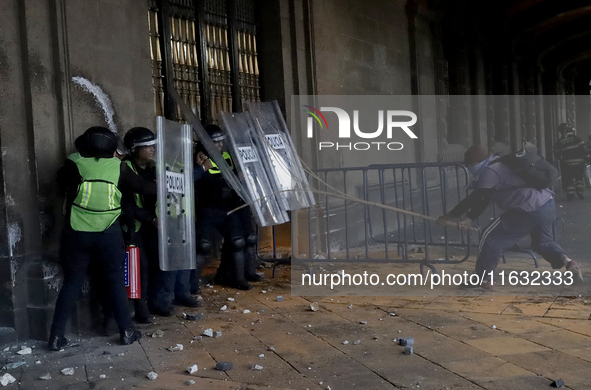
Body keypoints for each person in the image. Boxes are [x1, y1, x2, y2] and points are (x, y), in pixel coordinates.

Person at [49, 127, 156, 350]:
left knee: (72, 283)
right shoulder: (119, 167)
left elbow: (60, 185)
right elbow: (145, 189)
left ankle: (56, 336)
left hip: (76, 234)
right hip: (109, 233)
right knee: (115, 281)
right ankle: (126, 331)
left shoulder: (73, 163)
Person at [436, 145, 583, 290]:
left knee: (491, 237)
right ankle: (568, 262)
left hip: (527, 209)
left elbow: (474, 198)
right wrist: (468, 219)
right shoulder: (501, 163)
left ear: (473, 164)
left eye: (469, 166)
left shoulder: (490, 171)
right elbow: (485, 197)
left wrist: (448, 216)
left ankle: (483, 278)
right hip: (547, 203)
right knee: (542, 242)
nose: (469, 169)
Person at [123, 127, 199, 318]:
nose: (152, 149)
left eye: (153, 145)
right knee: (143, 267)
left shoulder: (155, 167)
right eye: (146, 146)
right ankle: (143, 307)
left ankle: (159, 301)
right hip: (136, 225)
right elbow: (128, 205)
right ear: (133, 149)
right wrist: (151, 219)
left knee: (161, 263)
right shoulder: (126, 169)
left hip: (159, 223)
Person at [192, 124, 253, 291]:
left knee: (238, 241)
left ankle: (236, 278)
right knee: (202, 245)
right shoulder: (198, 158)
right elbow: (195, 179)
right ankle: (193, 285)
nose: (219, 145)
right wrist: (200, 167)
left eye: (221, 141)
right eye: (215, 142)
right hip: (208, 208)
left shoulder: (227, 156)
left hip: (227, 207)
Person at [553, 123, 587, 200]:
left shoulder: (559, 142)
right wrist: (584, 158)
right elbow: (584, 149)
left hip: (567, 163)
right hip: (579, 162)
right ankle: (580, 191)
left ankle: (570, 193)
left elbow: (557, 155)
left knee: (568, 179)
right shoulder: (577, 138)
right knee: (579, 177)